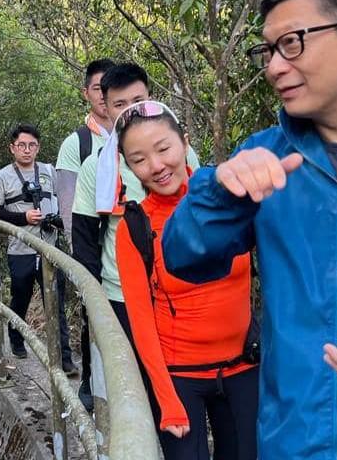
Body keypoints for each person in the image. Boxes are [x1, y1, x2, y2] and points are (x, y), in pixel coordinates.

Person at [162, 0, 337, 459]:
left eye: (292, 43)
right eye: (267, 50)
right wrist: (220, 191)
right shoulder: (266, 158)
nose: (273, 66)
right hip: (294, 440)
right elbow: (182, 257)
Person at [115, 101, 258, 460]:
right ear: (129, 167)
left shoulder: (230, 198)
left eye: (164, 149)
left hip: (244, 367)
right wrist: (166, 399)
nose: (157, 166)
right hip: (180, 377)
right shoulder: (135, 226)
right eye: (139, 159)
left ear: (184, 142)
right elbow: (141, 321)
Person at [72, 62, 201, 409]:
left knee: (177, 384)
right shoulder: (96, 166)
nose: (130, 111)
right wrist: (94, 299)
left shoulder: (178, 153)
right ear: (105, 107)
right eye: (120, 104)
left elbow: (200, 212)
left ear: (151, 100)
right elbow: (84, 238)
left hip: (178, 292)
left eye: (138, 100)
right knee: (133, 386)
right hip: (122, 294)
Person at [0, 124, 78, 375]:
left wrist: (59, 220)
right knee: (21, 296)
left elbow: (66, 202)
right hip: (21, 249)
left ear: (38, 147)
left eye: (31, 145)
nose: (27, 150)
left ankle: (64, 358)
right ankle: (16, 337)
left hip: (50, 248)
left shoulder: (50, 171)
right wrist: (24, 218)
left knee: (56, 302)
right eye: (21, 145)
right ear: (12, 148)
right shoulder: (2, 177)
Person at [56, 58, 115, 405]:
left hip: (129, 247)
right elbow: (68, 204)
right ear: (87, 93)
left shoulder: (137, 131)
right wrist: (82, 257)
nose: (105, 96)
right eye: (98, 89)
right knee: (93, 314)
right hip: (92, 246)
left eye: (111, 89)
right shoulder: (77, 144)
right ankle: (91, 379)